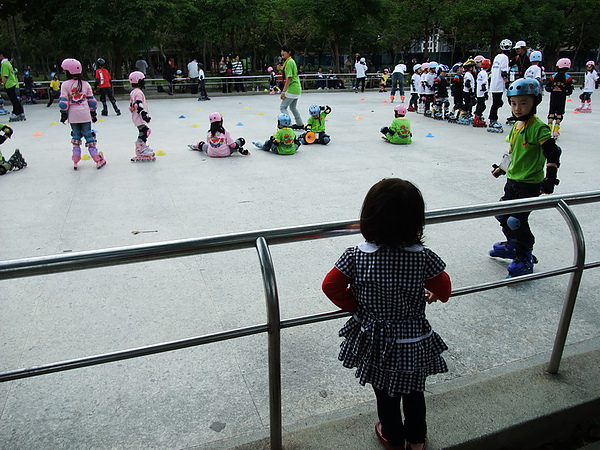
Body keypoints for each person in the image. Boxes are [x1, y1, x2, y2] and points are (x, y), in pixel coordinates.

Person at [321, 177, 451, 450]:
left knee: (385, 393)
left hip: (375, 338)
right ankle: (417, 441)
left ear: (369, 217)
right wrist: (433, 293)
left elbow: (330, 286)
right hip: (413, 341)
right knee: (415, 391)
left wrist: (359, 306)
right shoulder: (422, 256)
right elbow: (445, 287)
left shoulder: (355, 256)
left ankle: (392, 436)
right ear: (416, 221)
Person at [489, 78, 562, 278]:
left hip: (530, 184)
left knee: (516, 220)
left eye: (523, 103)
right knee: (501, 214)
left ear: (535, 102)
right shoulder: (517, 126)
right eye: (513, 103)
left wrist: (550, 179)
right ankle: (513, 245)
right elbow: (512, 153)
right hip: (512, 180)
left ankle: (525, 256)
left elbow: (553, 153)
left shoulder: (539, 128)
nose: (517, 108)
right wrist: (502, 169)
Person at [59, 58, 105, 170]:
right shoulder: (85, 84)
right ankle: (97, 159)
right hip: (85, 114)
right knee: (89, 136)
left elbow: (63, 104)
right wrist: (93, 114)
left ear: (68, 71)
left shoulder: (65, 84)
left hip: (73, 115)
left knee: (76, 136)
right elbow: (92, 102)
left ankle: (75, 160)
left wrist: (63, 115)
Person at [128, 71, 155, 162]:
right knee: (145, 131)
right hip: (139, 116)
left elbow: (132, 104)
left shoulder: (133, 92)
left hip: (136, 116)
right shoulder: (138, 92)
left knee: (144, 131)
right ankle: (140, 149)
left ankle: (143, 147)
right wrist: (144, 115)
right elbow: (138, 104)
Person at [545, 58, 574, 139]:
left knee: (551, 113)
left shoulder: (553, 76)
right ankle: (556, 130)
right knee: (559, 114)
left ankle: (548, 129)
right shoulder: (568, 77)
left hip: (553, 97)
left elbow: (548, 87)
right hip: (561, 98)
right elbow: (569, 90)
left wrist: (553, 90)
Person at [487, 39, 511, 133]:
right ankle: (493, 120)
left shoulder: (497, 57)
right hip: (499, 84)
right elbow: (504, 72)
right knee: (496, 103)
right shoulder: (505, 58)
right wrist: (507, 82)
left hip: (494, 83)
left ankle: (492, 119)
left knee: (497, 102)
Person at [280, 45, 304, 130]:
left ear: (289, 52)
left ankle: (287, 124)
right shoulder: (290, 61)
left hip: (293, 88)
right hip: (296, 88)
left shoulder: (289, 62)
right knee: (293, 107)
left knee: (283, 107)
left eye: (284, 51)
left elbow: (289, 77)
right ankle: (300, 123)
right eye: (281, 51)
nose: (282, 53)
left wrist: (283, 92)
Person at [0, 50, 26, 122]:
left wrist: (3, 84)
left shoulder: (4, 64)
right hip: (13, 83)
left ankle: (16, 112)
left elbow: (5, 76)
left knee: (13, 100)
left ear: (1, 56)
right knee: (15, 99)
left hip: (9, 84)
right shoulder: (8, 63)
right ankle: (20, 112)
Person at [473, 58, 491, 127]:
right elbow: (484, 84)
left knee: (479, 105)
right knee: (482, 106)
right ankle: (477, 119)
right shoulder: (485, 74)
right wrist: (486, 93)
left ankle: (477, 117)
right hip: (482, 92)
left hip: (478, 92)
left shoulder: (480, 73)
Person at [459, 59, 476, 124]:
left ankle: (467, 115)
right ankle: (461, 116)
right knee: (467, 104)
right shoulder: (468, 74)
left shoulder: (469, 74)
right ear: (470, 68)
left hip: (468, 92)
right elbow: (467, 83)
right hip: (467, 92)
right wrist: (471, 91)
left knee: (470, 104)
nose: (474, 68)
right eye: (473, 67)